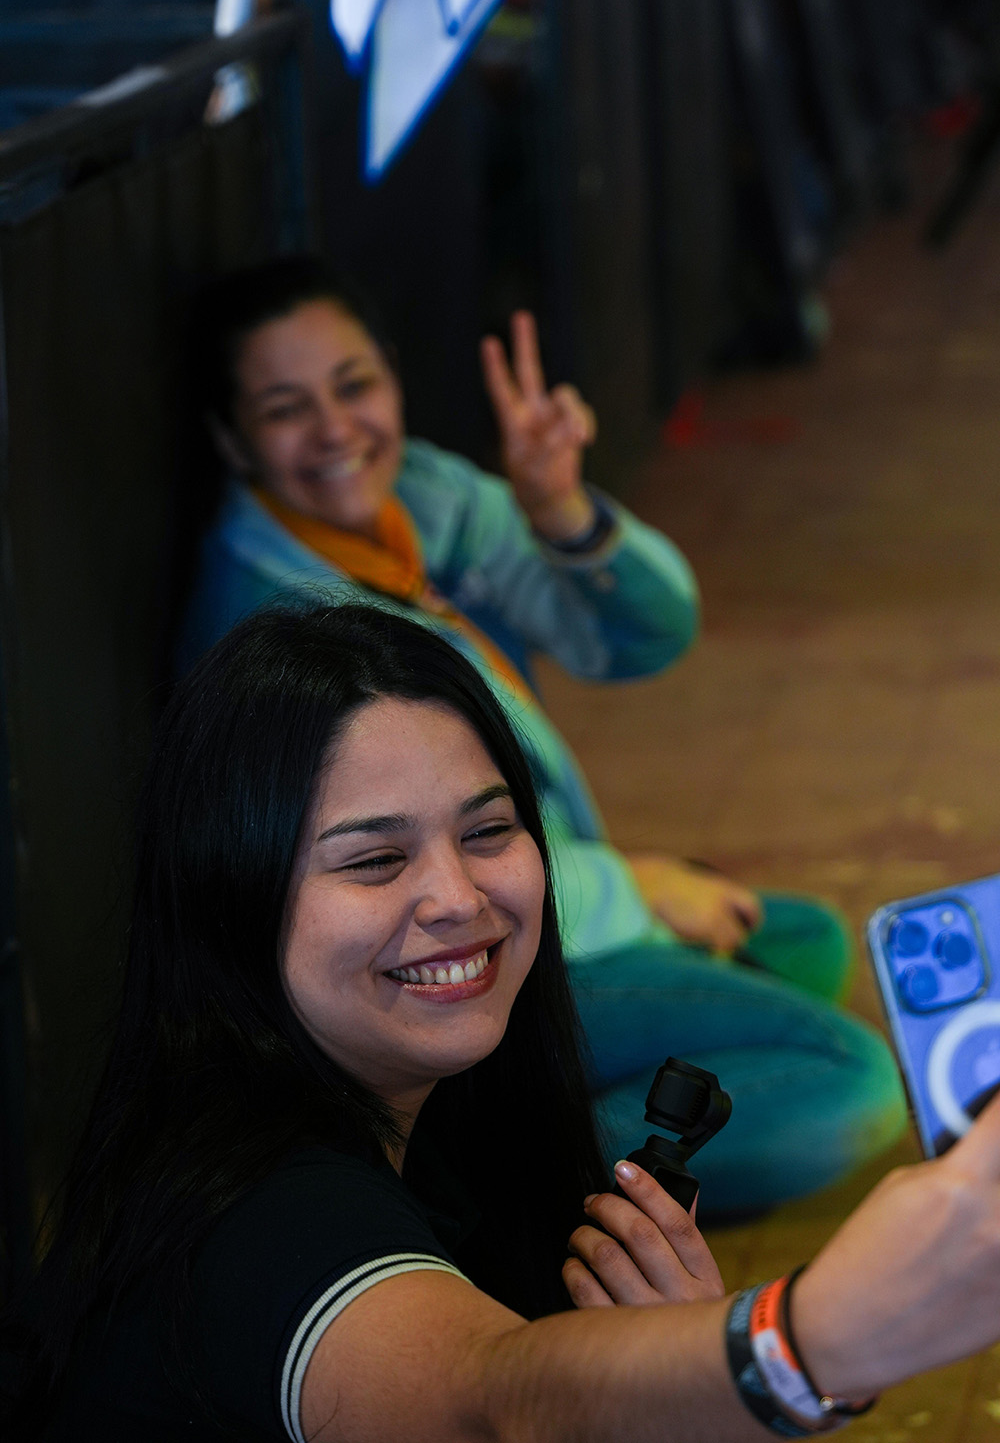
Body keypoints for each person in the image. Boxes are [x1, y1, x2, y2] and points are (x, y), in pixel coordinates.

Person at [5, 601, 1000, 1443]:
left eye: (488, 830)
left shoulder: (450, 1109)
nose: (459, 898)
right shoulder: (262, 1210)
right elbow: (493, 1398)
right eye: (374, 860)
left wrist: (666, 1372)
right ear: (232, 896)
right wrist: (810, 1340)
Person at [177, 256, 905, 1213]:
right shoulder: (271, 623)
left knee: (808, 943)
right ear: (231, 439)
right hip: (444, 964)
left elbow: (648, 635)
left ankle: (528, 1119)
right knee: (854, 1082)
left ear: (393, 374)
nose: (336, 429)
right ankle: (498, 1181)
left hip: (535, 904)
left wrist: (563, 512)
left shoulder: (422, 501)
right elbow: (414, 888)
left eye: (354, 385)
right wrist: (638, 890)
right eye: (286, 409)